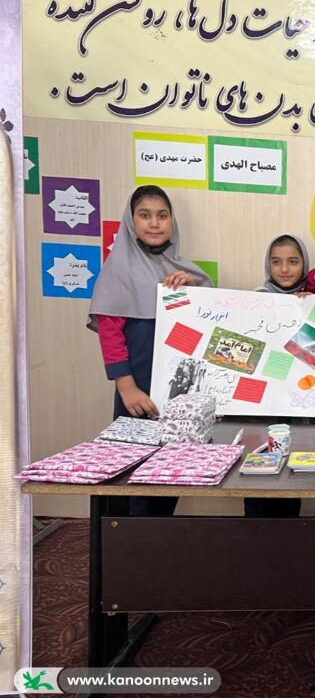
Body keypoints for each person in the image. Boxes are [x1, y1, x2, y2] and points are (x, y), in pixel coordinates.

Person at [88, 185, 211, 517]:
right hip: (138, 389)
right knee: (134, 469)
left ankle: (157, 536)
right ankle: (130, 540)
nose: (155, 223)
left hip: (179, 392)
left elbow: (209, 322)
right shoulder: (119, 269)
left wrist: (193, 290)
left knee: (172, 467)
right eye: (145, 215)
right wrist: (126, 386)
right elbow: (110, 333)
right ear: (131, 222)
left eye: (162, 215)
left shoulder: (184, 269)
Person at [245, 234, 315, 519]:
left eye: (293, 262)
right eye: (276, 262)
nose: (284, 269)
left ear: (304, 265)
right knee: (256, 481)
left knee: (291, 482)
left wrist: (308, 309)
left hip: (298, 409)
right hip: (258, 409)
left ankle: (288, 539)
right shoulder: (255, 299)